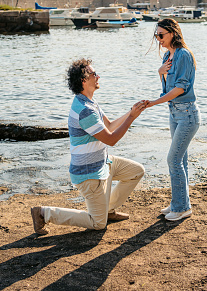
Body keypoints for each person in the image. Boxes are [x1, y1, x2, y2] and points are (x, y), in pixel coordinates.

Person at [30, 58, 148, 235]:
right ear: (83, 80)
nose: (98, 76)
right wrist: (132, 118)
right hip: (89, 173)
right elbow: (111, 139)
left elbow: (108, 126)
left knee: (136, 171)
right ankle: (43, 213)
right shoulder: (85, 110)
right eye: (94, 74)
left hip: (103, 163)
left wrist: (131, 111)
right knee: (98, 223)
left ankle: (108, 209)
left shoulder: (89, 102)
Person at [147, 18, 200, 221]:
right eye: (156, 35)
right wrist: (160, 73)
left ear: (173, 33)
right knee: (181, 160)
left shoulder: (184, 55)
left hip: (187, 114)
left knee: (173, 159)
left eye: (161, 35)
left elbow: (180, 89)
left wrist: (153, 102)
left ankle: (182, 207)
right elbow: (167, 87)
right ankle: (179, 203)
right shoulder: (167, 57)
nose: (158, 39)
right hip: (174, 113)